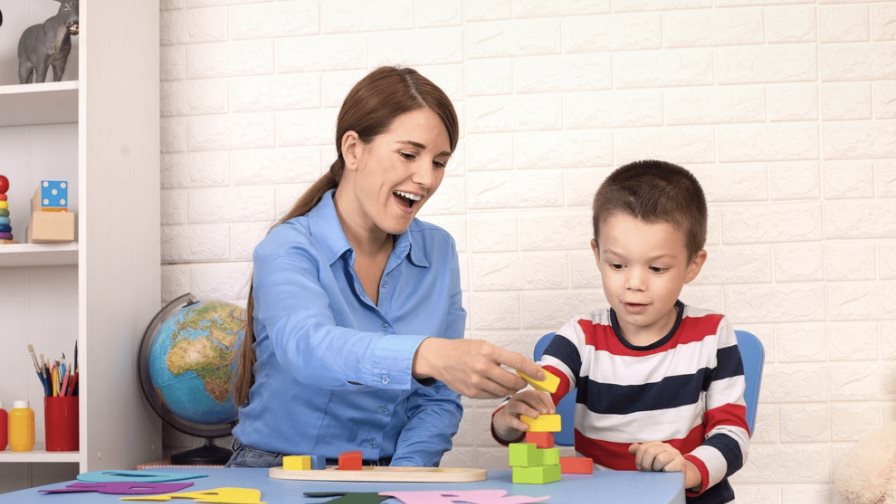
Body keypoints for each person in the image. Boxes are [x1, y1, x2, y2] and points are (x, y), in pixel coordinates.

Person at [228, 66, 545, 469]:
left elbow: (436, 399)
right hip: (274, 471)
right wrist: (426, 355)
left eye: (440, 162)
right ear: (353, 149)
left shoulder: (438, 251)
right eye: (409, 154)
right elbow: (307, 347)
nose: (426, 178)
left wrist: (403, 481)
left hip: (390, 474)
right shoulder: (287, 247)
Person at [491, 160, 750, 503]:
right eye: (617, 265)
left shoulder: (712, 334)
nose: (635, 284)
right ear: (597, 254)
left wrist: (688, 468)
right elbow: (535, 397)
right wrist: (509, 420)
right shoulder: (581, 337)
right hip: (602, 496)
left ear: (692, 265)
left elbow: (732, 433)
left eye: (657, 268)